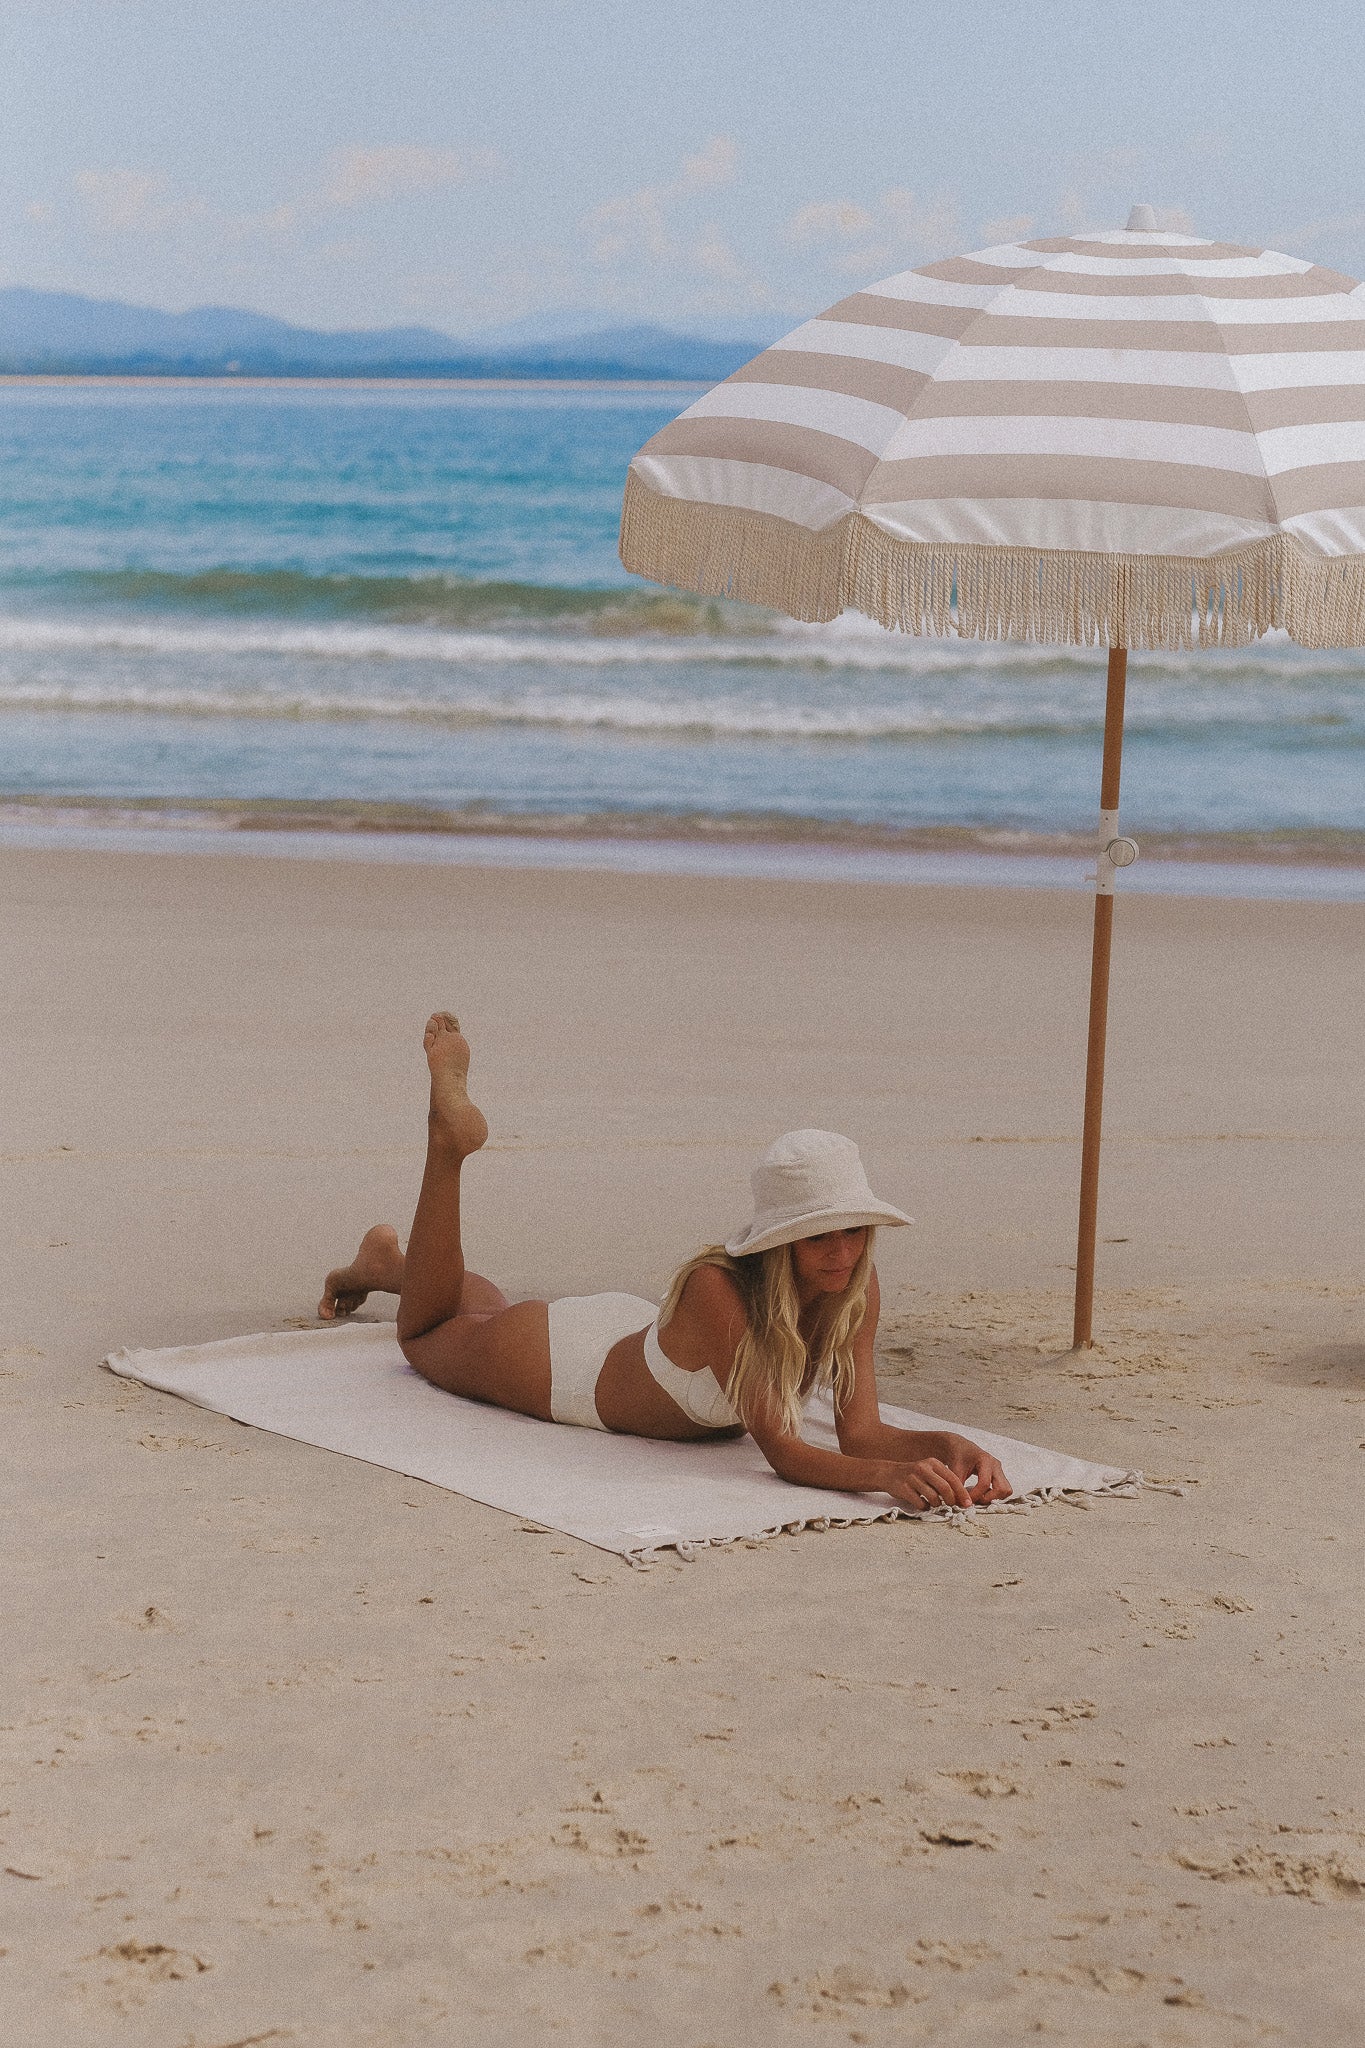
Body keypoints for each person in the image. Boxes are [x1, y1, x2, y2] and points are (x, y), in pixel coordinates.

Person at [319, 1012, 1012, 1514]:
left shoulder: (853, 1287)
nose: (842, 1253)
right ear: (778, 1242)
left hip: (633, 1336)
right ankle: (446, 1149)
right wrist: (888, 1480)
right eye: (818, 1238)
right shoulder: (721, 1291)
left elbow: (861, 1432)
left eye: (854, 1232)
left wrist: (945, 1445)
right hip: (569, 1368)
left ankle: (382, 1264)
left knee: (477, 1307)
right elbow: (787, 1454)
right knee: (425, 1334)